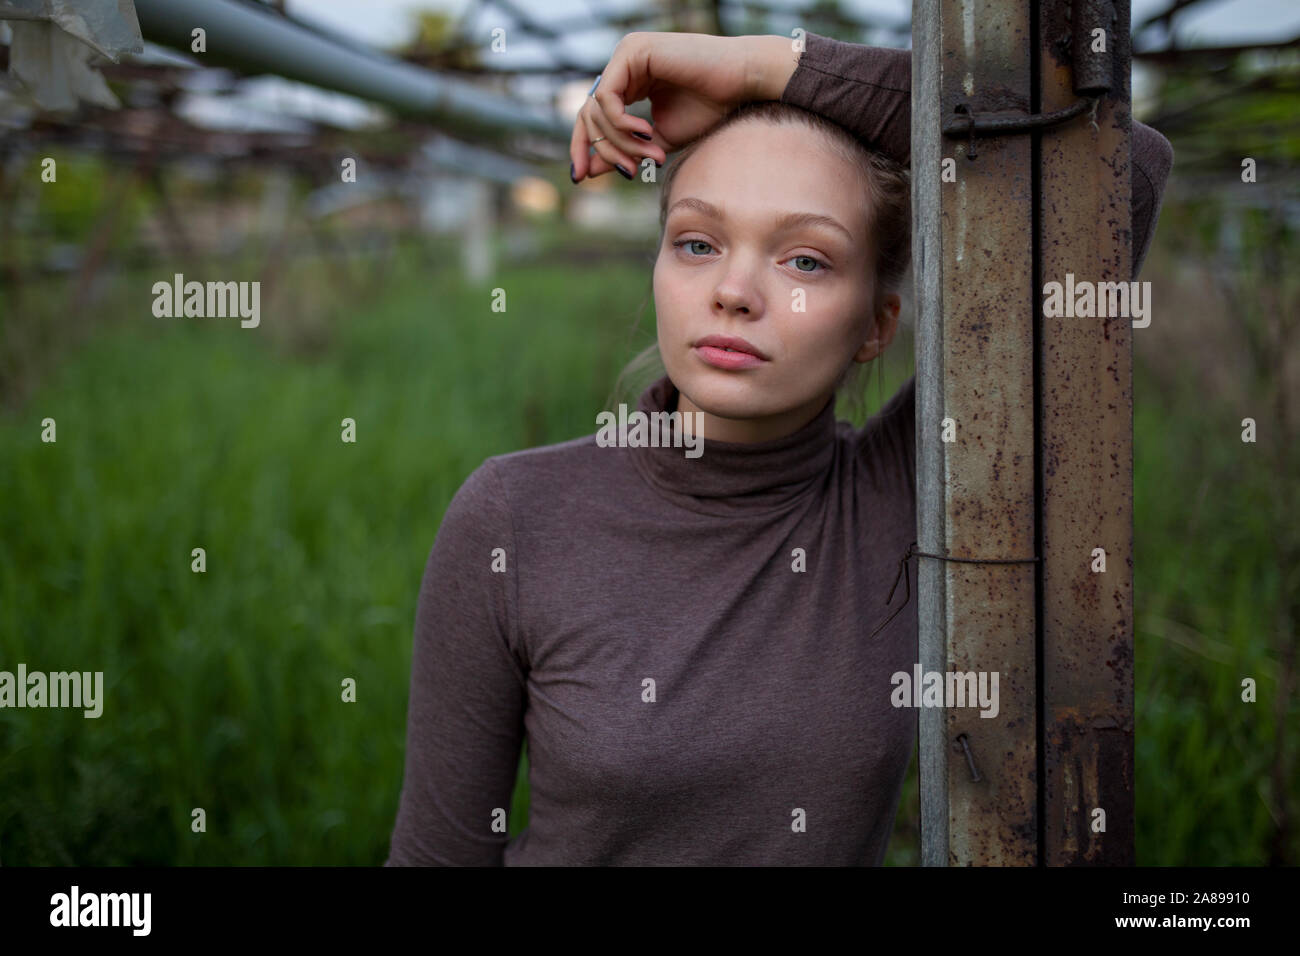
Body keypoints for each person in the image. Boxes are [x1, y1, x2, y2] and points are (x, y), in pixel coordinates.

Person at [384, 31, 1173, 866]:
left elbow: (1117, 171)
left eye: (805, 259)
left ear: (876, 325)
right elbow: (438, 854)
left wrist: (768, 67)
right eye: (697, 243)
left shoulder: (907, 491)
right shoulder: (514, 520)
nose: (732, 291)